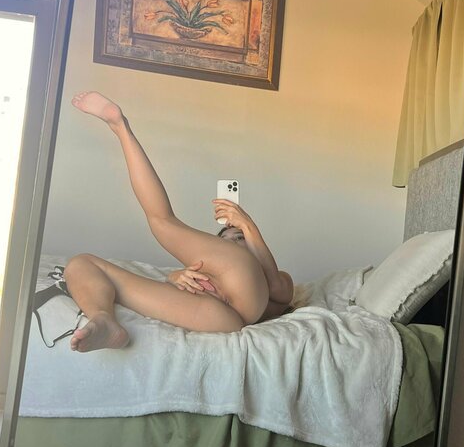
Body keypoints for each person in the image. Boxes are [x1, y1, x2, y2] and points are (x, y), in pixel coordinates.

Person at [63, 92, 294, 352]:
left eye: (239, 238)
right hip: (213, 317)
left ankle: (121, 128)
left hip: (234, 303)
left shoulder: (274, 280)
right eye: (224, 239)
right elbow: (176, 288)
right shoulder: (213, 270)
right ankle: (103, 318)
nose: (231, 237)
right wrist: (176, 277)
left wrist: (248, 226)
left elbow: (279, 288)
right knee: (81, 264)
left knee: (162, 221)